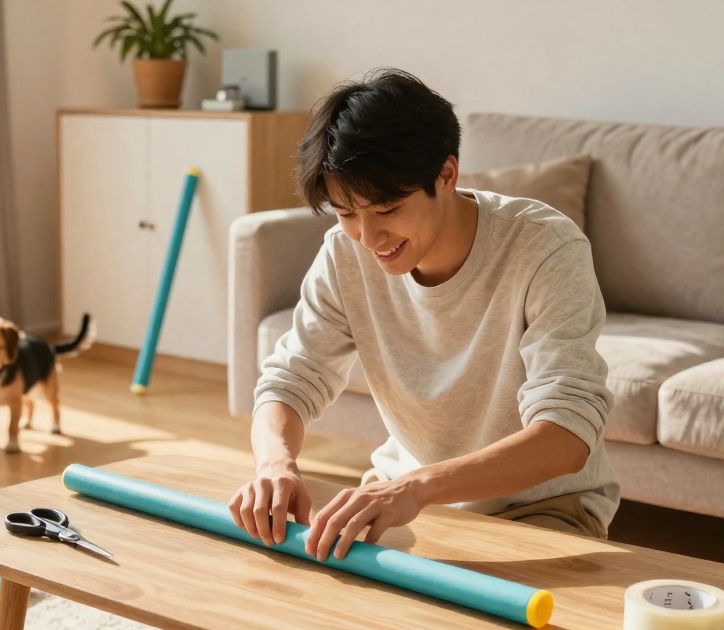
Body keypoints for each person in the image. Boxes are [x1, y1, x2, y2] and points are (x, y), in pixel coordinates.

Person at [228, 69, 619, 561]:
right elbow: (290, 380)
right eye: (346, 213)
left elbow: (567, 435)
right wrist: (274, 463)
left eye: (387, 209)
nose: (368, 239)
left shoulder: (545, 248)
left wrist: (416, 488)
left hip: (539, 506)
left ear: (447, 174)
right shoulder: (344, 254)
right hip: (404, 495)